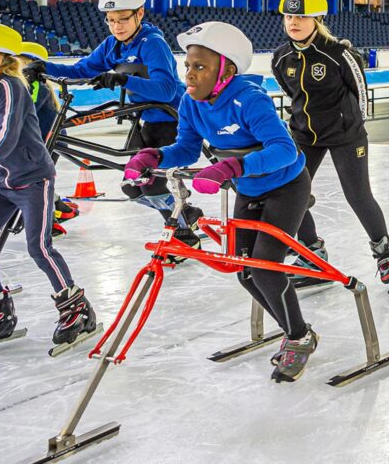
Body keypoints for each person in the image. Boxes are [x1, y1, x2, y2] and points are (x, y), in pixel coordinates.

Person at [125, 22, 317, 381]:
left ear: (225, 71)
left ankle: (299, 336)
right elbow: (185, 147)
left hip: (285, 187)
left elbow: (285, 150)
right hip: (248, 189)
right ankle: (293, 329)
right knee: (244, 270)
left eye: (200, 67)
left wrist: (233, 166)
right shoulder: (190, 102)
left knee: (265, 267)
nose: (190, 75)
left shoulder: (250, 98)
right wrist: (153, 156)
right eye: (188, 66)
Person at [22, 0, 203, 249]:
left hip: (172, 118)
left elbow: (165, 90)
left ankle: (186, 238)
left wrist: (122, 78)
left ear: (140, 14)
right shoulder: (112, 46)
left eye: (123, 19)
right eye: (111, 21)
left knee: (152, 185)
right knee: (132, 187)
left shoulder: (152, 44)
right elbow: (83, 69)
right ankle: (187, 214)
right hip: (147, 120)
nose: (117, 26)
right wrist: (44, 66)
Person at [0, 23, 98, 351]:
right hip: (2, 183)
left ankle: (76, 308)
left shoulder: (11, 88)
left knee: (40, 247)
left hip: (34, 180)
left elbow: (4, 141)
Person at [271, 0, 389, 294]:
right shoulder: (281, 57)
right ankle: (312, 254)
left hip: (346, 135)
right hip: (304, 134)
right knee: (291, 192)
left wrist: (353, 126)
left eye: (301, 16)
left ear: (316, 19)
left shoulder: (338, 53)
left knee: (358, 195)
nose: (294, 22)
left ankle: (387, 254)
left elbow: (361, 93)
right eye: (289, 15)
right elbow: (291, 93)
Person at [16, 42, 79, 236]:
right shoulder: (30, 85)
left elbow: (26, 113)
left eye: (20, 62)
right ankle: (62, 208)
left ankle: (49, 223)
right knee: (37, 182)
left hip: (49, 143)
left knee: (39, 182)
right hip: (43, 143)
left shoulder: (36, 85)